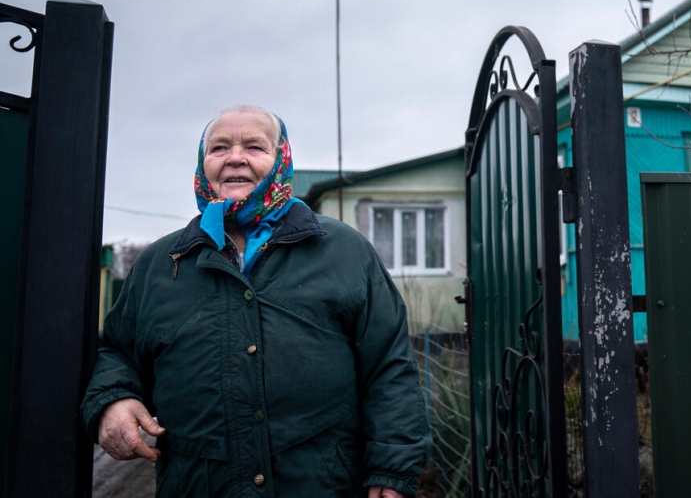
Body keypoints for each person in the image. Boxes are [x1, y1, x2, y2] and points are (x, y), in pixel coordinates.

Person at [82, 105, 430, 497]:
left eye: (254, 146)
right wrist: (114, 400)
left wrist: (391, 470)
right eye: (219, 148)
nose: (235, 157)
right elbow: (117, 351)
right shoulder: (160, 264)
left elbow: (388, 366)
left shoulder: (345, 251)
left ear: (281, 159)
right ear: (202, 163)